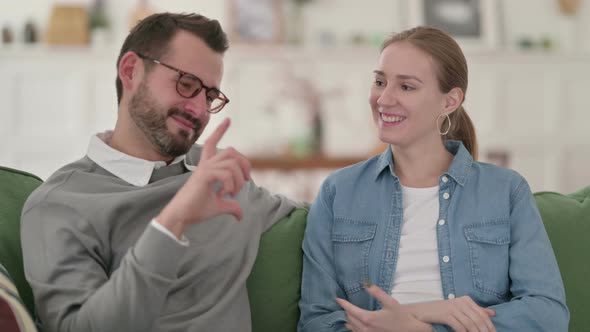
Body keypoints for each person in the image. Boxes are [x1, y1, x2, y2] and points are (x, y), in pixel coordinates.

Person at [21, 13, 301, 332]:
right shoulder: (59, 204)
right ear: (131, 71)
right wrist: (173, 221)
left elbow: (327, 216)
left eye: (209, 96)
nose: (198, 109)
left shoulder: (219, 175)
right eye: (186, 84)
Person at [298, 26, 568, 332]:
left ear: (449, 101)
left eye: (407, 87)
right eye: (379, 82)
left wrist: (425, 329)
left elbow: (547, 314)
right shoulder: (338, 192)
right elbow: (316, 321)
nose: (383, 99)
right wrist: (428, 311)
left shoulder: (506, 191)